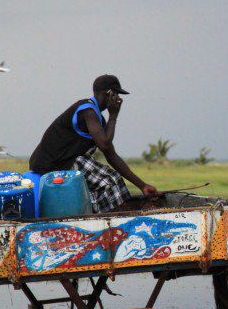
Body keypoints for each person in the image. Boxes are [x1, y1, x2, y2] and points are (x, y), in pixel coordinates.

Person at [29, 74, 157, 213]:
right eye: (116, 94)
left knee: (113, 179)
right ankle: (117, 215)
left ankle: (107, 212)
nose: (118, 99)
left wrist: (142, 186)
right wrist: (113, 116)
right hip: (53, 164)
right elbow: (104, 145)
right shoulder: (87, 110)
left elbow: (111, 155)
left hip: (66, 162)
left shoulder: (98, 119)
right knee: (110, 180)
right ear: (109, 93)